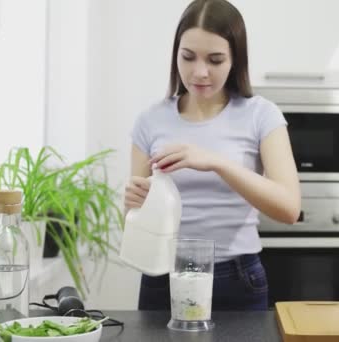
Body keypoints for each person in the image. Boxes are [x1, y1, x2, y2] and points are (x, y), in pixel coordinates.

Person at [125, 0, 300, 311]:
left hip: (237, 279)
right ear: (175, 54)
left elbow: (289, 209)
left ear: (235, 60)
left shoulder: (262, 115)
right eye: (188, 57)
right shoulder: (149, 121)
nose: (200, 72)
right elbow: (133, 221)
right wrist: (132, 207)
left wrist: (217, 162)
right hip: (162, 277)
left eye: (215, 60)